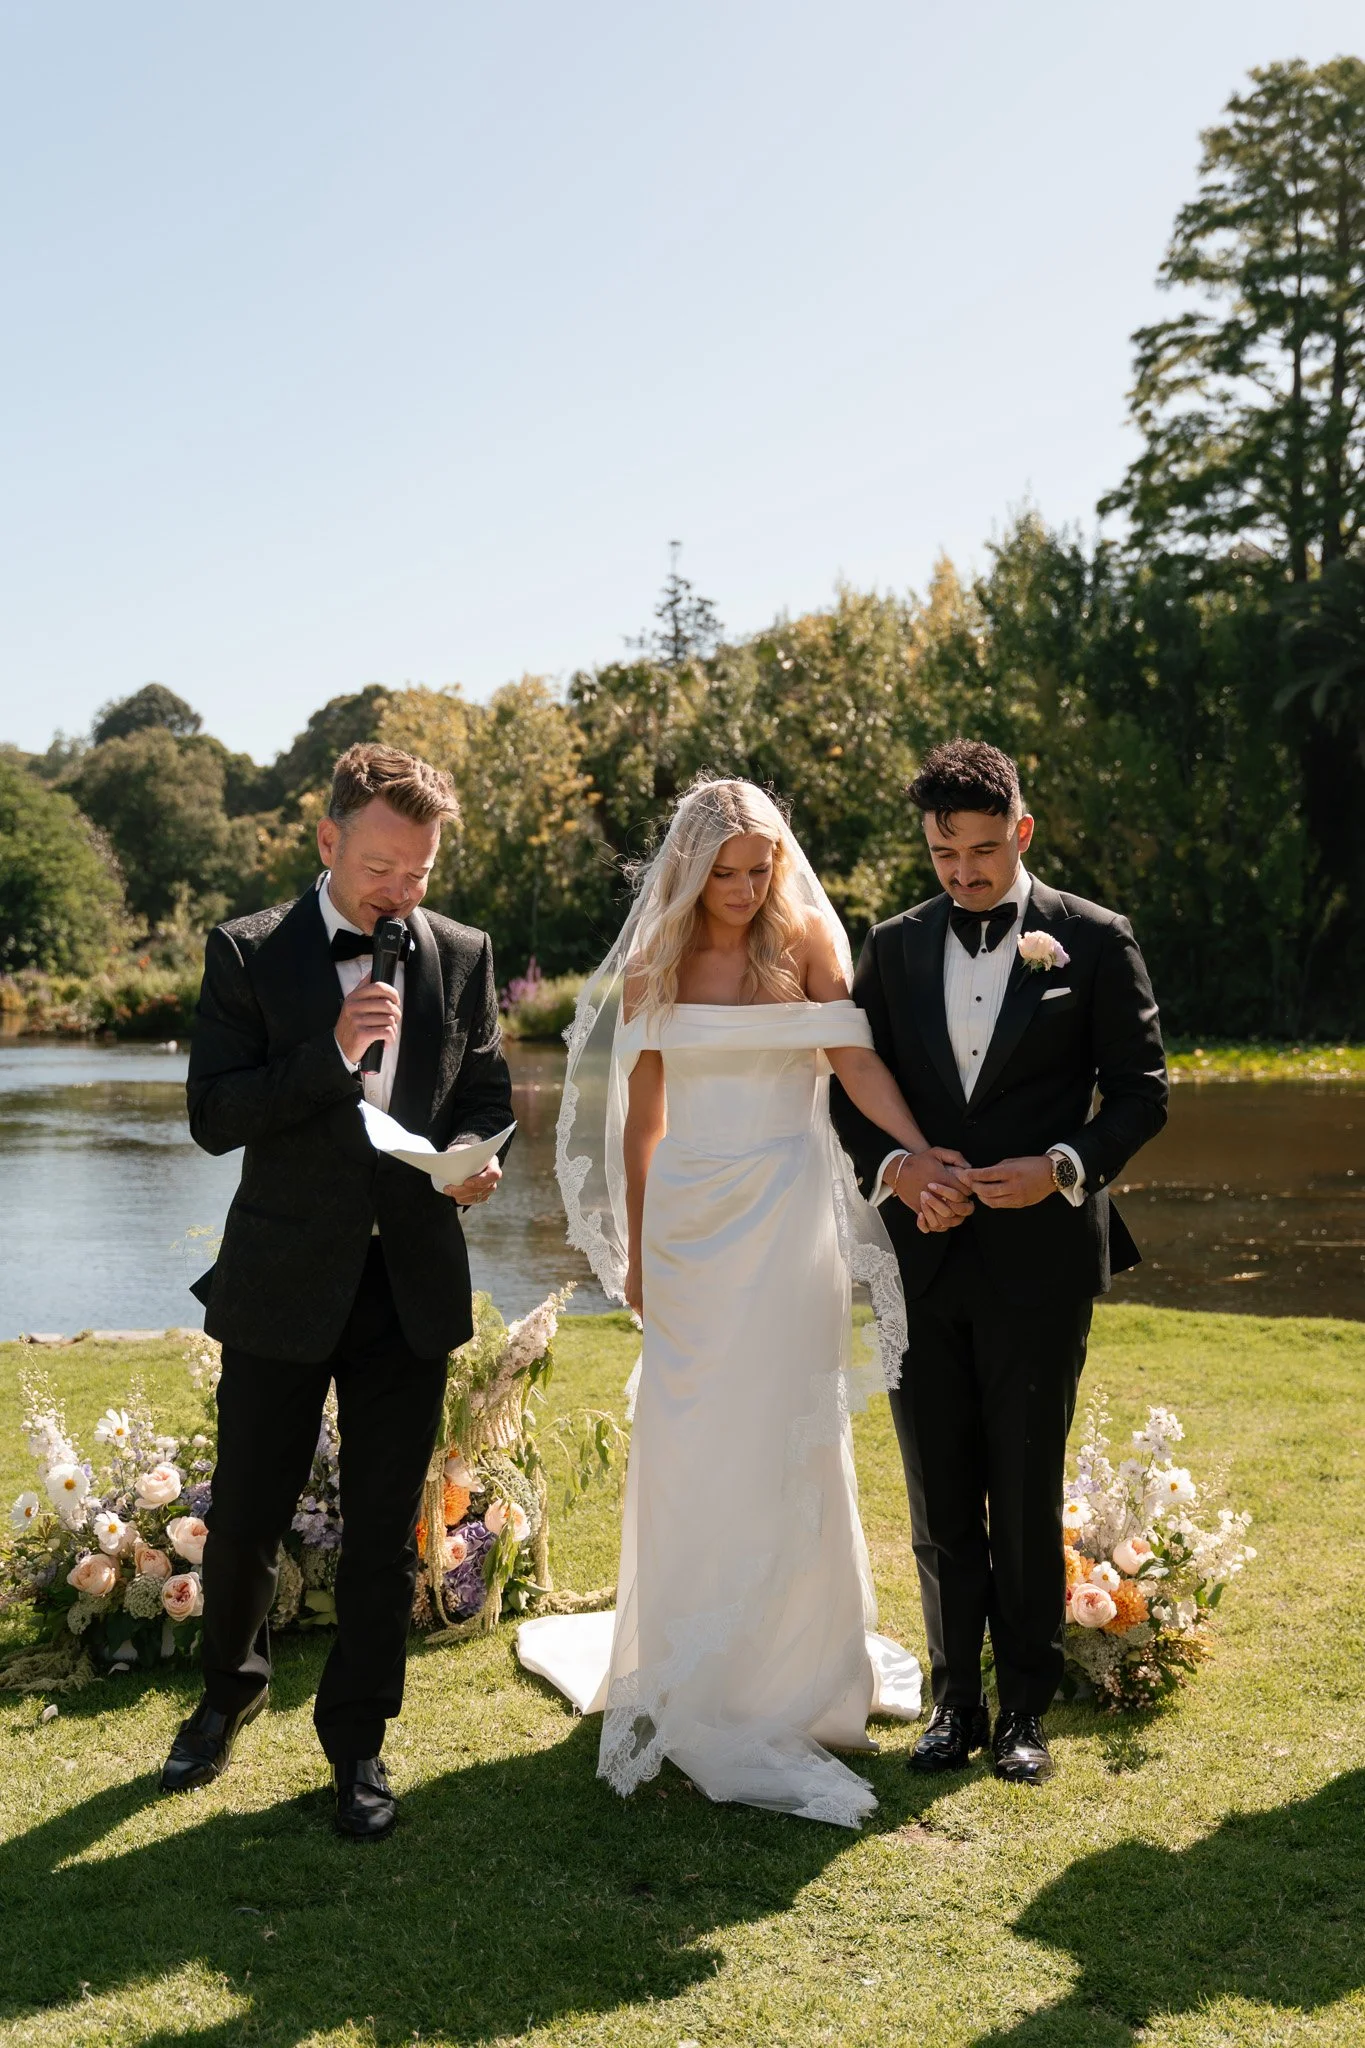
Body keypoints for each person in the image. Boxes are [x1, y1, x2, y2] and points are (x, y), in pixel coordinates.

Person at [521, 777, 967, 1828]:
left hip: (786, 1210)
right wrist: (635, 1248)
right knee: (688, 1430)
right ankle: (690, 1667)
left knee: (786, 1431)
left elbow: (853, 1059)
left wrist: (909, 1150)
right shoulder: (654, 965)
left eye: (758, 866)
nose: (743, 886)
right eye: (724, 870)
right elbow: (641, 1118)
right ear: (687, 870)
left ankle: (799, 1675)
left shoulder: (808, 939)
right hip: (688, 1217)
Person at [161, 742, 513, 1839]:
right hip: (280, 1279)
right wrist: (327, 1049)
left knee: (380, 1531)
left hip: (405, 1283)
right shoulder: (248, 950)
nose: (402, 892)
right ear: (327, 841)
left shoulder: (462, 952)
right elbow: (212, 1114)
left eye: (418, 871)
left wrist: (474, 1155)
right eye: (381, 867)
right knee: (247, 1517)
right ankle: (225, 1695)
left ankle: (357, 1741)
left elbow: (488, 1083)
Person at [831, 739, 1168, 1786]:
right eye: (944, 853)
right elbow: (851, 1090)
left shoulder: (1096, 941)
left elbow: (1145, 1090)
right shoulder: (888, 947)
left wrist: (1064, 1165)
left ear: (1021, 831)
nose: (965, 872)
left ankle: (1022, 1704)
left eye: (983, 850)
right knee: (939, 1493)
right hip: (922, 1263)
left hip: (1040, 1260)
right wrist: (895, 1170)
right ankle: (952, 1699)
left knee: (1023, 1487)